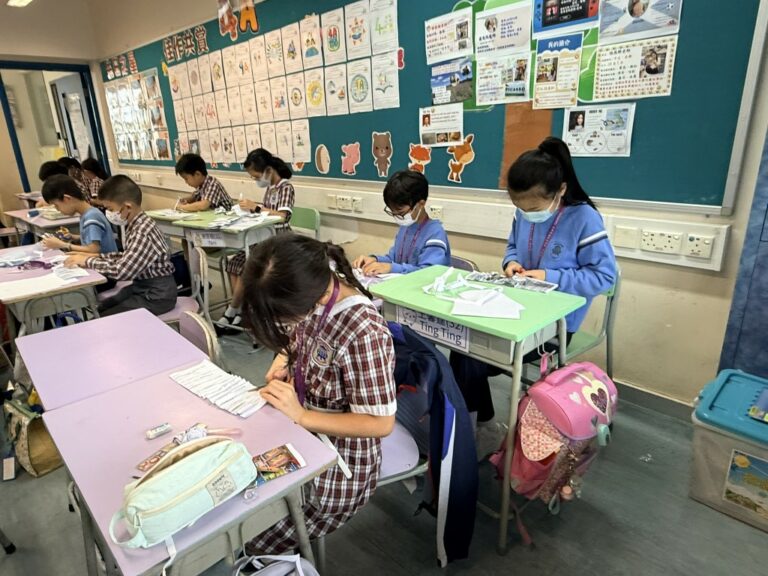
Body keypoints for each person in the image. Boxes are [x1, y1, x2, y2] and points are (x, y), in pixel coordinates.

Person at [451, 137, 617, 459]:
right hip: (516, 310)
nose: (527, 215)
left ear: (560, 191)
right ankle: (482, 427)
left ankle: (478, 431)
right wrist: (511, 263)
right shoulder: (525, 212)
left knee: (469, 357)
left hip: (555, 327)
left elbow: (603, 277)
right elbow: (513, 246)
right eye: (520, 208)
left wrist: (549, 276)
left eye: (534, 209)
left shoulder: (584, 218)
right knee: (463, 346)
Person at [241, 234, 396, 554]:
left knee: (243, 533)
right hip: (301, 430)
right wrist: (283, 360)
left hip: (339, 464)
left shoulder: (363, 331)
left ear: (311, 300)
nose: (285, 324)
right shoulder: (311, 292)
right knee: (237, 487)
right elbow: (296, 336)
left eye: (284, 316)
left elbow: (380, 423)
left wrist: (301, 416)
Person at [63, 175, 177, 317]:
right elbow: (127, 257)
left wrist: (88, 261)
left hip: (156, 296)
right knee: (102, 307)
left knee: (106, 317)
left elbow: (123, 271)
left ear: (127, 207)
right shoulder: (137, 224)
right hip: (143, 287)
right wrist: (96, 256)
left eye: (110, 209)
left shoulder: (142, 231)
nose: (109, 213)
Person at [218, 149, 294, 331]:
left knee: (248, 267)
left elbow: (282, 216)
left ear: (269, 170)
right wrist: (250, 210)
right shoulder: (270, 188)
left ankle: (233, 310)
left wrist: (257, 208)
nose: (256, 180)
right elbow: (266, 212)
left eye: (256, 176)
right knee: (234, 264)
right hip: (262, 237)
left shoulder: (285, 187)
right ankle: (242, 309)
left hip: (279, 239)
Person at [353, 170, 450, 276]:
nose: (397, 217)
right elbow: (394, 259)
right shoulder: (406, 227)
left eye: (401, 213)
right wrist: (375, 260)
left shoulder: (435, 233)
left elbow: (429, 273)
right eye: (393, 212)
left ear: (421, 204)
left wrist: (391, 268)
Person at [40, 174, 118, 291]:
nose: (58, 210)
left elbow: (94, 249)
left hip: (105, 275)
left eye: (57, 206)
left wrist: (62, 245)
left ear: (67, 199)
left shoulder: (91, 217)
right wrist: (73, 237)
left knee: (63, 286)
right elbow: (94, 239)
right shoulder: (89, 213)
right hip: (100, 268)